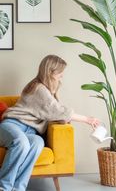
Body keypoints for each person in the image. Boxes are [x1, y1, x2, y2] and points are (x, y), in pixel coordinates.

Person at [0, 55, 100, 191]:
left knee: (38, 143)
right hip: (12, 125)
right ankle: (4, 187)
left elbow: (54, 112)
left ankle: (18, 188)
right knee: (21, 143)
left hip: (30, 131)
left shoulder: (47, 90)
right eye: (60, 72)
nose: (62, 75)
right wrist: (88, 119)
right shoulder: (38, 88)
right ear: (50, 72)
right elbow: (58, 110)